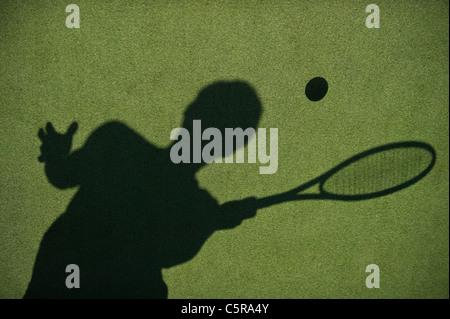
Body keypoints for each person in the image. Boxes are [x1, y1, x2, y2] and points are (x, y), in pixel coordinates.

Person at [24, 81, 262, 298]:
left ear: (190, 110)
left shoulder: (117, 141)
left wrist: (56, 154)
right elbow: (167, 253)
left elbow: (62, 176)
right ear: (233, 148)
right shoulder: (199, 207)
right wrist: (210, 221)